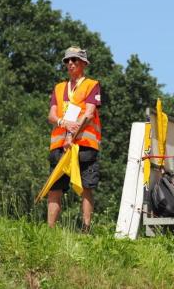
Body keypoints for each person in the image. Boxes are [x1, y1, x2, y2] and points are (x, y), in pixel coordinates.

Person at [47, 46, 102, 231]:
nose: (70, 63)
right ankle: (50, 231)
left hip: (84, 145)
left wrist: (73, 135)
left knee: (86, 187)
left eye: (75, 60)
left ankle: (86, 229)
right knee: (54, 188)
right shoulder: (59, 87)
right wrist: (63, 123)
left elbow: (88, 114)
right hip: (60, 146)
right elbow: (52, 116)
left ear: (84, 63)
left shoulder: (91, 85)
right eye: (67, 60)